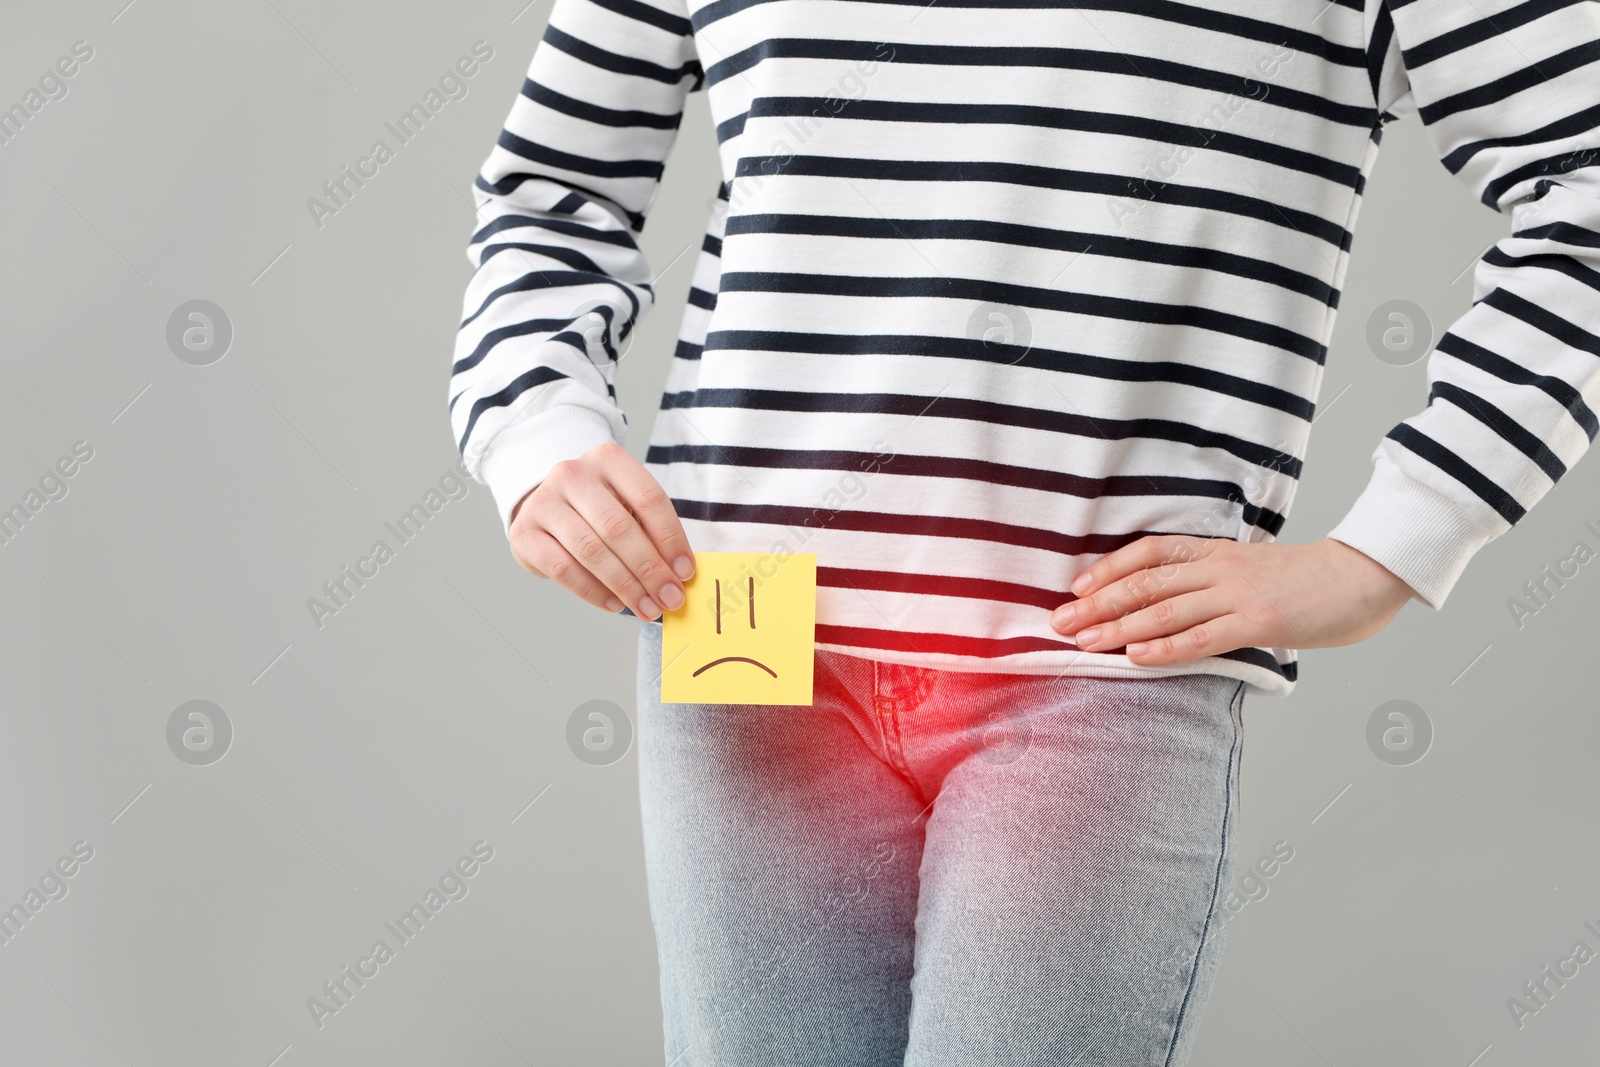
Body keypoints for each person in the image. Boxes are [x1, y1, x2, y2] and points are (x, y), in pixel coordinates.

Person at [447, 0, 1600, 1061]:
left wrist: (1397, 541)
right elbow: (549, 190)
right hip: (743, 628)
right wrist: (534, 432)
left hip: (1095, 649)